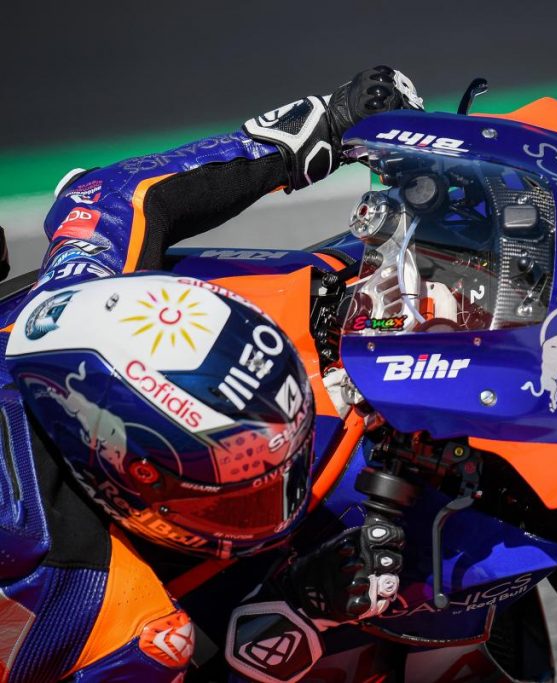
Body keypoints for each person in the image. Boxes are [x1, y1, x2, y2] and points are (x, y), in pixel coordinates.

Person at [0, 66, 422, 682]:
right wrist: (303, 608)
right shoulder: (115, 617)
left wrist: (322, 127)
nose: (270, 504)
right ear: (127, 473)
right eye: (241, 495)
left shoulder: (75, 293)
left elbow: (116, 197)